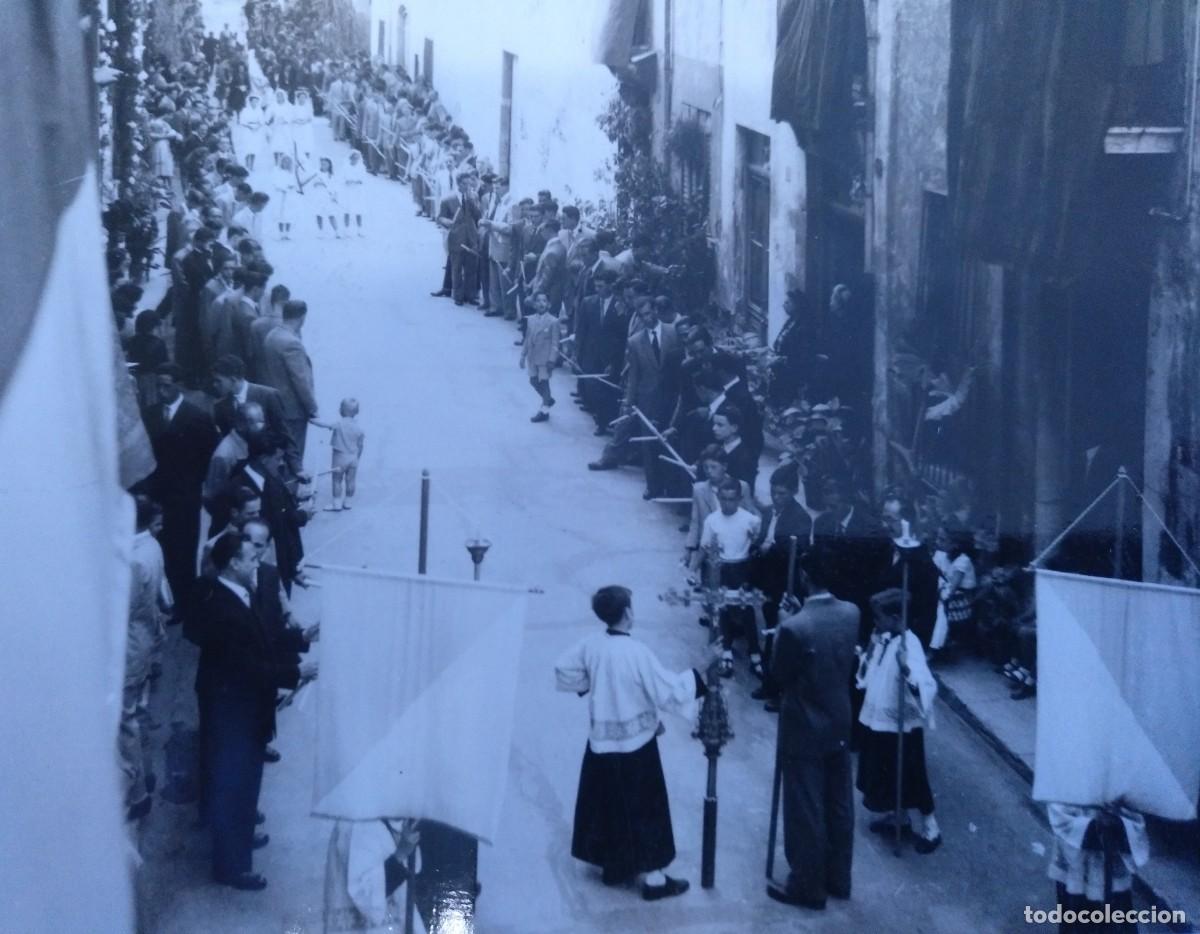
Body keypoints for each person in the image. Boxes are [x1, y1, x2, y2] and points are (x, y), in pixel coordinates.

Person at [555, 586, 710, 900]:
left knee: (610, 805)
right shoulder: (636, 652)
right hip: (636, 747)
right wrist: (703, 670)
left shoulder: (592, 645)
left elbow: (563, 670)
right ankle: (654, 880)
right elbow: (668, 691)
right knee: (645, 810)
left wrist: (592, 683)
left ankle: (616, 866)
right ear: (627, 612)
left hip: (601, 745)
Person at [185, 534, 311, 891]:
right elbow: (248, 667)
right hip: (236, 713)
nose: (256, 562)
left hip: (238, 709)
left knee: (243, 786)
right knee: (238, 786)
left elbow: (260, 641)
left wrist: (301, 640)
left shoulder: (235, 597)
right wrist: (297, 672)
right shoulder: (227, 609)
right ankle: (232, 866)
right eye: (249, 558)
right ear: (233, 564)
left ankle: (237, 844)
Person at [768, 547, 858, 910]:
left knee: (806, 805)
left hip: (804, 722)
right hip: (839, 716)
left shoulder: (795, 626)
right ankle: (839, 877)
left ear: (805, 577)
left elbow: (778, 675)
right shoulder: (852, 612)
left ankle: (808, 885)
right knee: (838, 801)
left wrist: (780, 625)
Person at [855, 588, 941, 854]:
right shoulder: (884, 637)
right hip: (880, 719)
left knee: (912, 774)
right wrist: (868, 649)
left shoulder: (909, 644)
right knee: (888, 772)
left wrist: (906, 669)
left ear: (895, 617)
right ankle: (899, 817)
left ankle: (931, 826)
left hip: (902, 725)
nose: (875, 623)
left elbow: (926, 684)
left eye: (879, 618)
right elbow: (867, 673)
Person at [141, 363, 219, 601]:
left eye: (166, 386)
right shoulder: (150, 414)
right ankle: (165, 597)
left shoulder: (197, 417)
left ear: (178, 386)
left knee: (184, 549)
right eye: (159, 386)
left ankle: (184, 601)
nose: (162, 391)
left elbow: (210, 455)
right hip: (157, 496)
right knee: (160, 547)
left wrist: (196, 482)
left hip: (185, 496)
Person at [121, 496, 173, 823]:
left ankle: (137, 793)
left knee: (125, 720)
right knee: (139, 711)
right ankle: (149, 772)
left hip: (130, 646)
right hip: (146, 638)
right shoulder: (151, 547)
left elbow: (121, 609)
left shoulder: (132, 560)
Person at [691, 477, 763, 679]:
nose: (726, 504)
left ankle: (755, 655)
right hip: (720, 570)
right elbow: (704, 548)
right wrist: (693, 568)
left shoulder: (751, 520)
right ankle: (727, 654)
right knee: (721, 612)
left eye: (731, 499)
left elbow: (760, 542)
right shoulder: (712, 520)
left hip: (742, 569)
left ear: (739, 499)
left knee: (746, 611)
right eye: (722, 499)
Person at [260, 299, 318, 463]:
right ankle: (290, 488)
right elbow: (301, 380)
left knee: (279, 455)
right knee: (294, 456)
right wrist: (312, 408)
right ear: (302, 317)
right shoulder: (292, 343)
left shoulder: (272, 335)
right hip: (293, 410)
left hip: (275, 404)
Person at [313, 398, 366, 511]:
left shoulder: (339, 424)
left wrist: (310, 420)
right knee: (351, 480)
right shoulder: (359, 429)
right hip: (353, 457)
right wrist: (357, 457)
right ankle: (348, 502)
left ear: (342, 411)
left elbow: (323, 425)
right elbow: (361, 446)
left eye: (340, 407)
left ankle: (336, 504)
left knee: (337, 480)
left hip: (339, 457)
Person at [519, 293, 561, 423]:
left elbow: (555, 343)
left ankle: (544, 411)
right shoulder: (530, 319)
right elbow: (527, 338)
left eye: (544, 301)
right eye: (538, 301)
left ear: (548, 304)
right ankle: (548, 399)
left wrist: (552, 360)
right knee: (533, 381)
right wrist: (522, 355)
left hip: (545, 359)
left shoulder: (554, 321)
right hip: (532, 357)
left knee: (544, 382)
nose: (541, 303)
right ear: (534, 304)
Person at [271, 153, 297, 241]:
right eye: (284, 161)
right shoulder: (277, 171)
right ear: (281, 162)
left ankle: (287, 233)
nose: (286, 163)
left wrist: (290, 187)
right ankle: (281, 233)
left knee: (289, 214)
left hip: (289, 195)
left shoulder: (291, 173)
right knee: (280, 214)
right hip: (280, 194)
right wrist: (282, 188)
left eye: (288, 162)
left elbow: (293, 183)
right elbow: (275, 183)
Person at [341, 150, 368, 236]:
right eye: (353, 158)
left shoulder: (361, 167)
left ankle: (360, 230)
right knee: (347, 210)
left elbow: (362, 180)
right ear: (350, 158)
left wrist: (355, 181)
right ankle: (346, 229)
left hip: (357, 191)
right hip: (348, 190)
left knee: (358, 210)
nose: (355, 160)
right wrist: (346, 181)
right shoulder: (345, 167)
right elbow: (342, 178)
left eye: (357, 158)